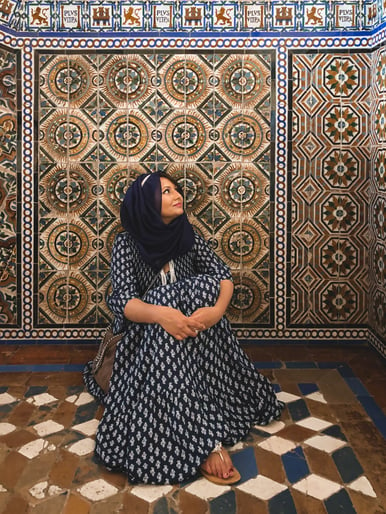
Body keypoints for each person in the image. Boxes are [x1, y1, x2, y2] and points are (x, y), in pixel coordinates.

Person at [83, 171, 284, 486]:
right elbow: (123, 303)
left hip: (194, 337)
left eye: (176, 189)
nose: (177, 194)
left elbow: (223, 275)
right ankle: (205, 443)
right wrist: (163, 315)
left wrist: (216, 312)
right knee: (164, 297)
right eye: (166, 191)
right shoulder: (127, 243)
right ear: (145, 204)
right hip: (145, 341)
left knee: (206, 286)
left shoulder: (188, 237)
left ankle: (199, 419)